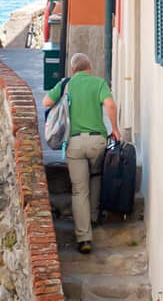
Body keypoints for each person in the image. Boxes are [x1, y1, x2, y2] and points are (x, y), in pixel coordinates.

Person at [45, 53, 121, 253]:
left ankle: (84, 238)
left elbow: (45, 102)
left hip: (75, 143)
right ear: (90, 67)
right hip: (97, 141)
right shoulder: (98, 83)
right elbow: (110, 105)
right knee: (96, 175)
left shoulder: (66, 84)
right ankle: (94, 216)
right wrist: (115, 128)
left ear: (73, 70)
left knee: (79, 189)